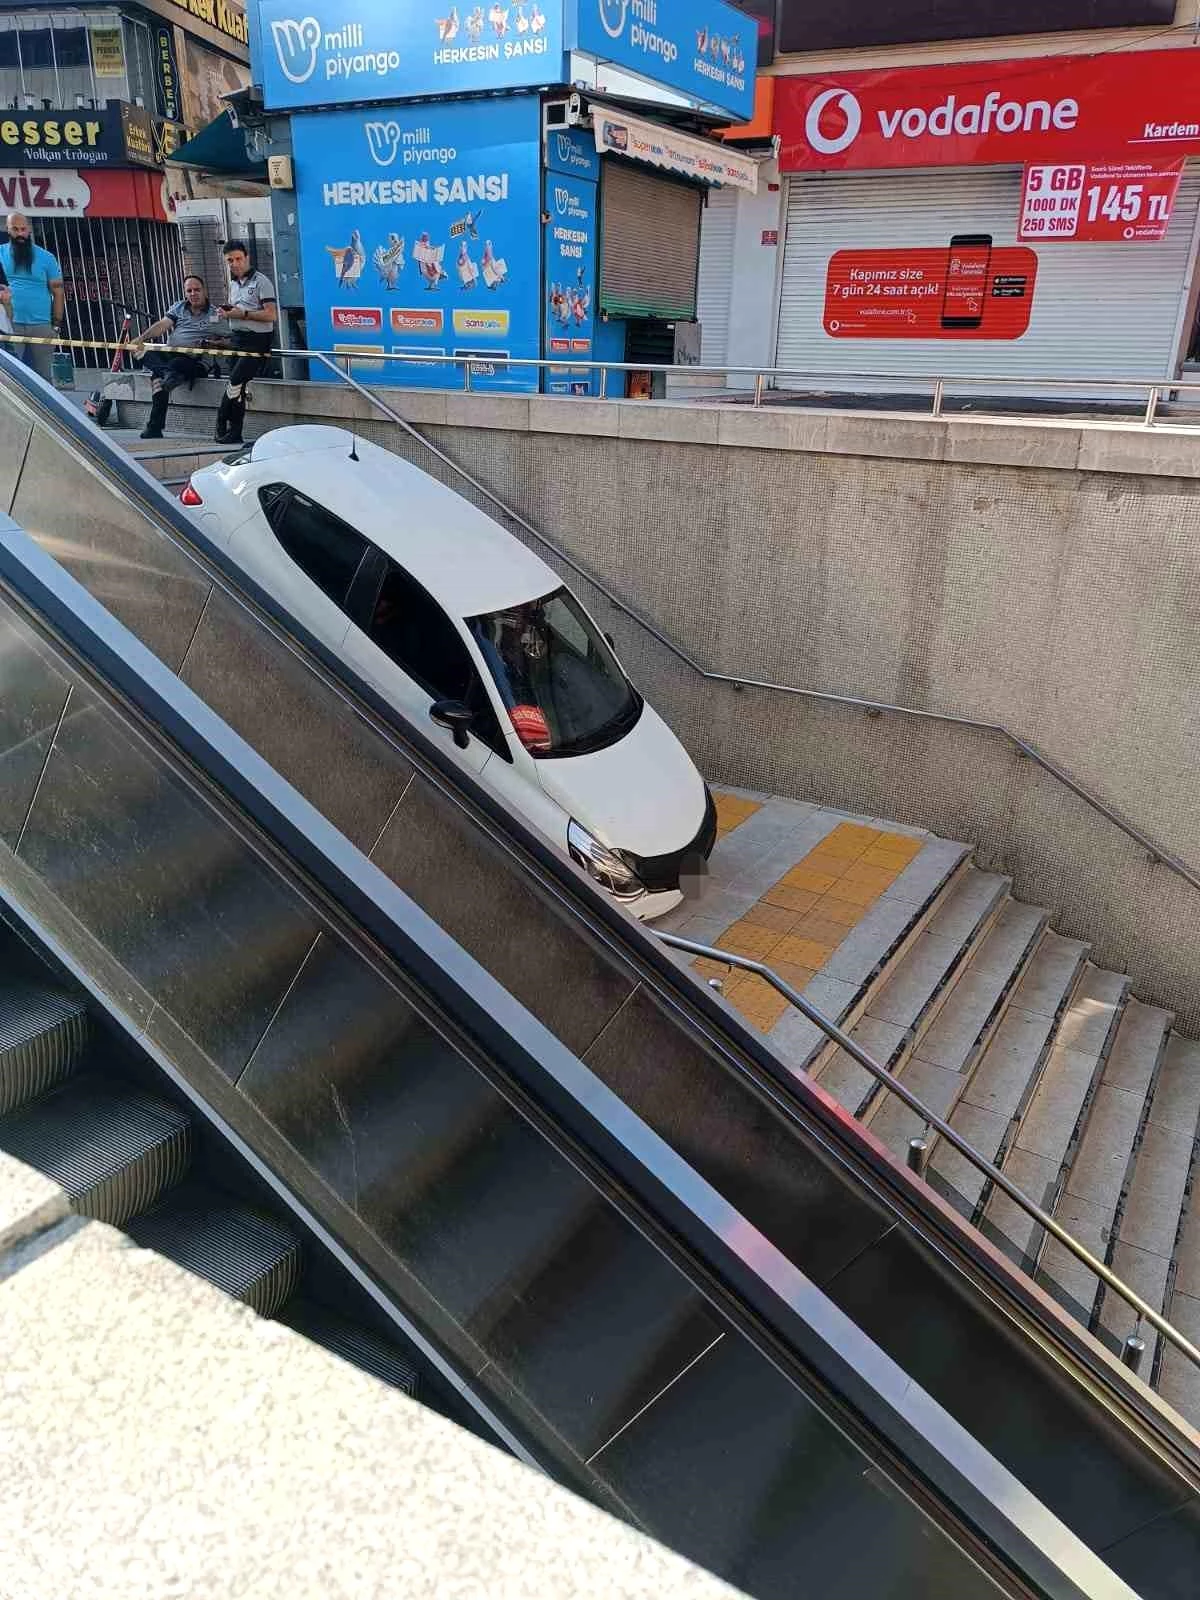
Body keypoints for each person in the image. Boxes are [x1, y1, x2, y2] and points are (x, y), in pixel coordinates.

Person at [132, 275, 228, 440]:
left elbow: (230, 340)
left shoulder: (215, 314)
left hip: (195, 362)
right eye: (189, 290)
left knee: (160, 376)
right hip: (172, 356)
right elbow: (162, 325)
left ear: (205, 291)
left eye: (197, 289)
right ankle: (168, 375)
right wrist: (141, 338)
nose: (193, 294)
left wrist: (214, 343)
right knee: (142, 352)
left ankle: (154, 425)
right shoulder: (179, 308)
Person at [214, 241, 277, 446]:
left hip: (257, 340)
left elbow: (271, 315)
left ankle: (221, 419)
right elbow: (237, 310)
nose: (235, 264)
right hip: (237, 337)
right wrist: (227, 313)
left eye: (238, 259)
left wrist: (244, 314)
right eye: (230, 261)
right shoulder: (233, 283)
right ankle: (235, 431)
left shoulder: (261, 281)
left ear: (247, 257)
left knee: (234, 381)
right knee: (238, 387)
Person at [0, 212, 65, 382]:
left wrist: (56, 324)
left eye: (23, 229)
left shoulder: (46, 257)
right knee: (10, 377)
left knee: (43, 378)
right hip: (8, 325)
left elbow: (58, 291)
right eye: (15, 229)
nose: (20, 233)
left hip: (41, 325)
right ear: (7, 229)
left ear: (29, 230)